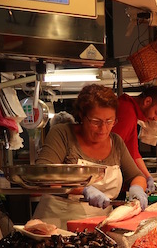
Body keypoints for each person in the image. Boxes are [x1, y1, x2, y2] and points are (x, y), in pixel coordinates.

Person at [33, 84, 148, 229]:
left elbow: (136, 175)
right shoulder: (62, 134)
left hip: (100, 225)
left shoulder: (116, 142)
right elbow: (44, 174)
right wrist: (83, 189)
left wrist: (137, 189)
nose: (103, 129)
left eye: (109, 121)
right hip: (57, 224)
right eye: (96, 122)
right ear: (82, 115)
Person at [111, 85, 157, 192]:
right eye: (156, 113)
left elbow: (133, 151)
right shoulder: (127, 112)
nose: (155, 119)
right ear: (147, 101)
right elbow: (113, 148)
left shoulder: (131, 113)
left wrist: (147, 176)